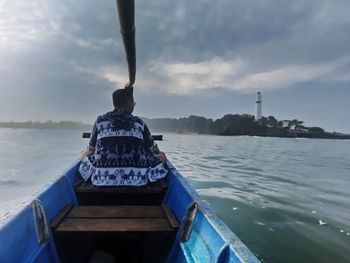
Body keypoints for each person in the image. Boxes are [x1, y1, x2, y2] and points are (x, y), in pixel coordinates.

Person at [79, 87, 168, 186]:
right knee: (163, 158)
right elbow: (152, 148)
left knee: (84, 153)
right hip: (137, 179)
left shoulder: (100, 121)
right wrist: (160, 154)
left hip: (101, 179)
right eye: (133, 104)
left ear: (114, 104)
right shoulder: (139, 123)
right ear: (128, 105)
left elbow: (91, 148)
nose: (133, 107)